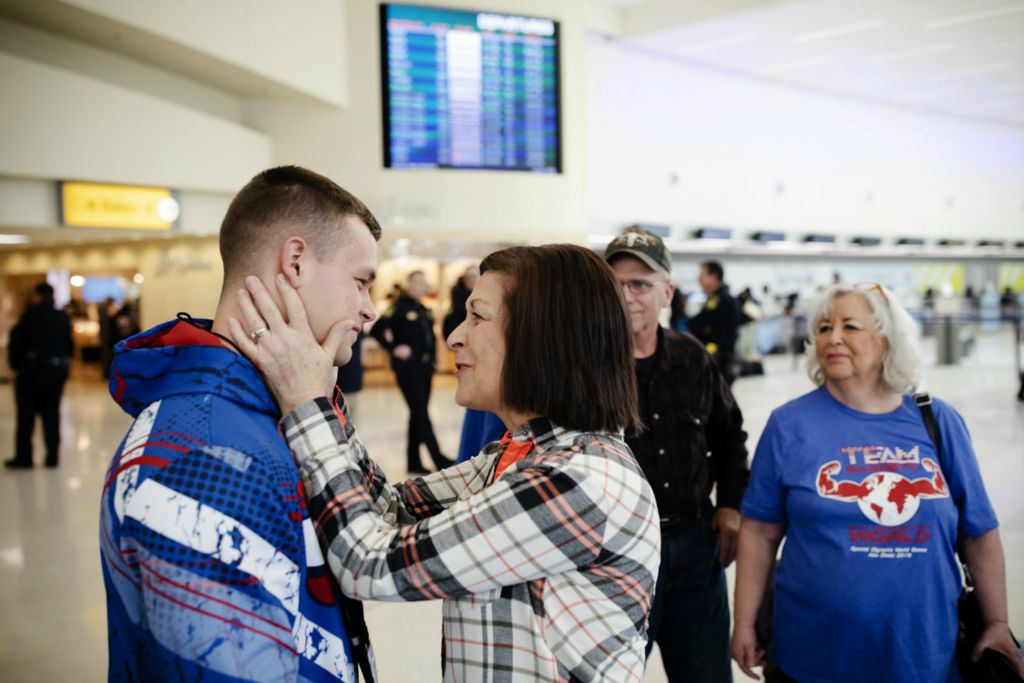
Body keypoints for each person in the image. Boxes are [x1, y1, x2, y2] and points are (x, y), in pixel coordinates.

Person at [229, 243, 662, 682]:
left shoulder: (578, 482)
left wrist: (305, 400)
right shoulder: (520, 455)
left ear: (542, 336)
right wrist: (324, 391)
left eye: (478, 316)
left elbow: (370, 563)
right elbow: (389, 510)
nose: (455, 335)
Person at [99, 166, 377, 682]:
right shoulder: (207, 457)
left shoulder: (280, 412)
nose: (370, 310)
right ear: (295, 262)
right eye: (361, 282)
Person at [732, 282, 1024, 683]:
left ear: (887, 340)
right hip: (813, 653)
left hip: (922, 656)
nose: (833, 337)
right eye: (823, 327)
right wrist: (745, 623)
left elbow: (979, 532)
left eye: (850, 326)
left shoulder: (937, 420)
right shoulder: (789, 425)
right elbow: (759, 531)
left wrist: (997, 621)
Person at [605, 229, 749, 682]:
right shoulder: (586, 370)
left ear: (666, 292)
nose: (627, 296)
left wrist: (730, 506)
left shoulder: (694, 360)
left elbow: (729, 436)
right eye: (616, 284)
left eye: (640, 284)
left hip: (694, 551)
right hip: (614, 556)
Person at [370, 270, 452, 474]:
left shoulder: (423, 308)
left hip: (425, 368)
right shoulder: (397, 308)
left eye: (424, 283)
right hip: (408, 369)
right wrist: (393, 348)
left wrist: (434, 360)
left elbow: (429, 337)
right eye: (417, 283)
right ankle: (438, 458)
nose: (422, 287)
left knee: (417, 413)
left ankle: (413, 462)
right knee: (421, 413)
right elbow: (376, 330)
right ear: (408, 285)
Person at [6, 282, 73, 469]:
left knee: (26, 418)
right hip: (55, 374)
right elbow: (69, 346)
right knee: (52, 415)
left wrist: (17, 366)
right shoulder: (62, 318)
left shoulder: (29, 317)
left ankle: (24, 457)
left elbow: (17, 344)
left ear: (37, 296)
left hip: (30, 375)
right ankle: (52, 456)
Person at [690, 260, 741, 384]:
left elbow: (696, 324)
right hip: (719, 359)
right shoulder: (718, 299)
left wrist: (704, 329)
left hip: (720, 361)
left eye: (702, 276)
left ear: (714, 277)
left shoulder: (721, 300)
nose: (699, 280)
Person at [442, 264, 479, 340]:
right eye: (468, 278)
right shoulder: (457, 300)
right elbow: (449, 321)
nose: (471, 280)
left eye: (474, 276)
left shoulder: (485, 297)